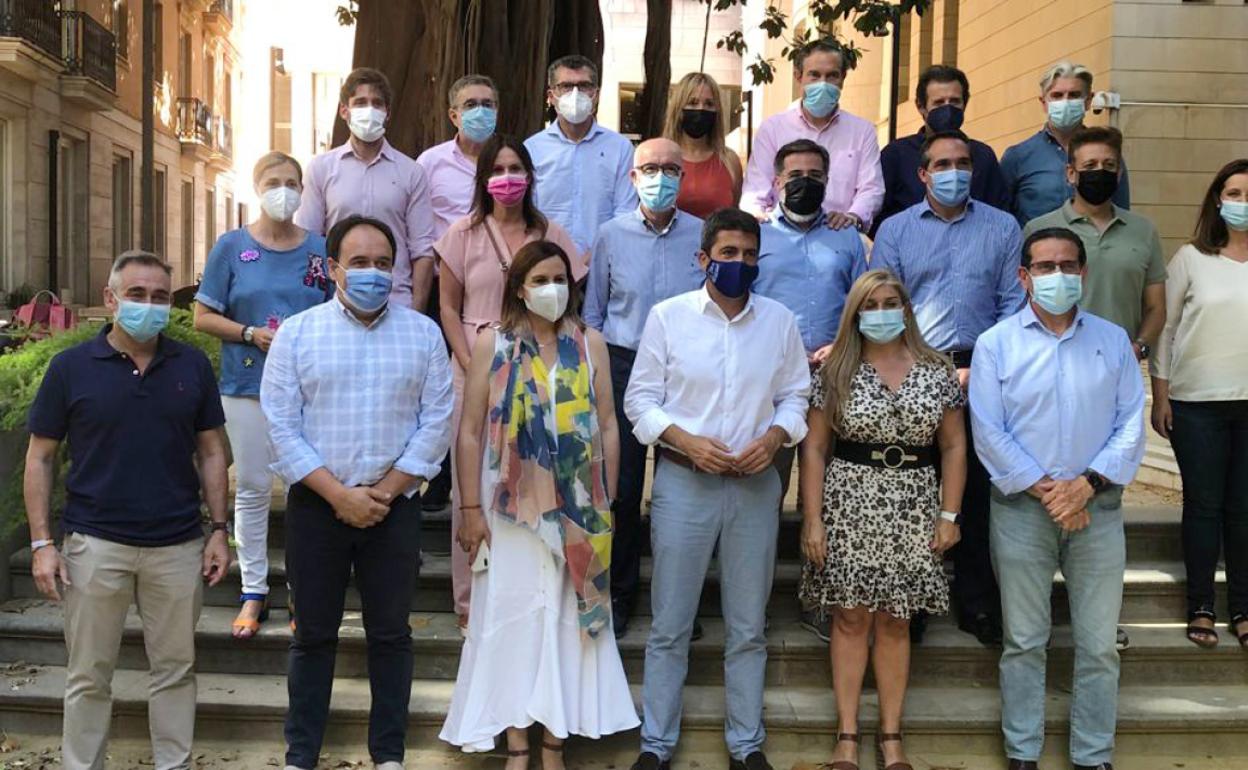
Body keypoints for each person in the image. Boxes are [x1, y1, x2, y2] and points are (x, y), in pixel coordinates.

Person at [24, 251, 231, 770]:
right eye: (137, 295)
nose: (150, 305)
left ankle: (173, 764)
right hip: (95, 545)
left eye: (161, 297)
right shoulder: (69, 368)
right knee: (88, 675)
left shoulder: (192, 365)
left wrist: (220, 531)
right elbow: (40, 456)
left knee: (176, 671)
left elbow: (212, 451)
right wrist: (42, 543)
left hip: (179, 545)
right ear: (111, 298)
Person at [261, 215, 454, 770]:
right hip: (317, 507)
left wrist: (388, 491)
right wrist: (338, 496)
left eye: (382, 264)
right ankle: (302, 754)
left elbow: (435, 422)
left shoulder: (423, 334)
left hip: (393, 511)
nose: (372, 273)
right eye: (360, 263)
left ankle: (388, 755)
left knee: (391, 635)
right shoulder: (298, 334)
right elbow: (282, 426)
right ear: (333, 268)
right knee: (313, 637)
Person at [440, 240, 640, 769]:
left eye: (560, 278)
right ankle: (517, 743)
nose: (551, 288)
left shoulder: (588, 342)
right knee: (513, 614)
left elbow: (607, 425)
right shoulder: (494, 343)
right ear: (519, 288)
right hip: (509, 510)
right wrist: (468, 510)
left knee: (566, 616)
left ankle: (554, 742)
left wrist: (609, 501)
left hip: (579, 506)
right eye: (539, 279)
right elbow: (468, 432)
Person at [625, 208, 811, 770]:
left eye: (750, 255)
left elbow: (797, 395)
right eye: (728, 254)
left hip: (756, 486)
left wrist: (777, 437)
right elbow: (640, 401)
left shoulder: (779, 322)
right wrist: (685, 441)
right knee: (669, 625)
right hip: (686, 484)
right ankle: (656, 746)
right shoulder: (667, 318)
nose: (740, 264)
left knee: (749, 626)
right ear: (703, 258)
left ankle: (746, 745)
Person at [970, 227, 1145, 770]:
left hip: (1098, 510)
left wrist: (1085, 486)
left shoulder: (1113, 340)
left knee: (1098, 646)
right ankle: (1023, 751)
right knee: (1024, 640)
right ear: (1024, 276)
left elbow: (1130, 423)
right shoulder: (996, 343)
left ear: (1083, 274)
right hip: (1024, 510)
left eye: (1068, 265)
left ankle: (1093, 755)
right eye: (1045, 267)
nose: (1057, 276)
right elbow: (988, 430)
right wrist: (1048, 489)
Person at [799, 269, 965, 770]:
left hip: (914, 502)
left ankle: (891, 736)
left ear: (906, 308)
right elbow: (815, 448)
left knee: (895, 621)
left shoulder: (938, 370)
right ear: (855, 313)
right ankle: (847, 735)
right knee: (850, 618)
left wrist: (949, 514)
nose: (880, 313)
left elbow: (955, 444)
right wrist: (812, 519)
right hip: (849, 500)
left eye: (890, 302)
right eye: (869, 305)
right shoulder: (834, 371)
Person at [873, 129, 1024, 646]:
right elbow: (884, 302)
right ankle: (912, 602)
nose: (953, 172)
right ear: (923, 173)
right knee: (916, 490)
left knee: (977, 493)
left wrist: (979, 365)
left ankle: (978, 604)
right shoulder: (894, 230)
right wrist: (916, 369)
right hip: (913, 365)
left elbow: (1012, 303)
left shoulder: (1004, 228)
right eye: (941, 164)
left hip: (984, 367)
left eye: (962, 162)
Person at [436, 134, 584, 633]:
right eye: (497, 169)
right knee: (472, 483)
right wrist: (472, 362)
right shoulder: (462, 233)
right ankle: (469, 601)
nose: (507, 178)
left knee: (542, 477)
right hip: (477, 363)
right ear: (482, 179)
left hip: (543, 371)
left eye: (516, 167)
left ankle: (542, 592)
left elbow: (569, 297)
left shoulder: (550, 231)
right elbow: (448, 307)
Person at [194, 151, 331, 639]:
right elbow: (202, 316)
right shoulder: (231, 248)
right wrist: (251, 333)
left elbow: (338, 313)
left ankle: (302, 588)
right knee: (251, 487)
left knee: (305, 490)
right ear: (257, 187)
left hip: (309, 390)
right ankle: (253, 588)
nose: (285, 190)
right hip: (246, 384)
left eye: (293, 182)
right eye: (274, 181)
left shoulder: (319, 248)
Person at [583, 137, 708, 639]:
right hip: (622, 364)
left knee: (687, 491)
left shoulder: (703, 234)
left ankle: (682, 603)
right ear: (633, 177)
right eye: (650, 169)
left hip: (686, 367)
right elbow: (594, 311)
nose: (660, 178)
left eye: (670, 169)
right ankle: (620, 592)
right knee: (623, 489)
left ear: (683, 176)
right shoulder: (610, 235)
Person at [753, 138, 868, 640]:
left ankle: (818, 598)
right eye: (795, 173)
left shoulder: (847, 240)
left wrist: (838, 346)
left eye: (816, 174)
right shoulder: (755, 235)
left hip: (833, 378)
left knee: (830, 498)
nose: (806, 182)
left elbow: (865, 305)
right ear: (776, 181)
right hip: (771, 384)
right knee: (764, 493)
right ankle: (750, 601)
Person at [1151, 159, 1248, 650]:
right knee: (1205, 507)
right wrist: (1161, 395)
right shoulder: (1191, 258)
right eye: (1234, 192)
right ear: (1217, 200)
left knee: (1244, 510)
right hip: (1197, 405)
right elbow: (1164, 330)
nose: (1242, 202)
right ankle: (1202, 605)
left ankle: (1244, 608)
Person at [296, 67, 437, 311]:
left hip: (397, 302)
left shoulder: (411, 172)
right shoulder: (321, 168)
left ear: (387, 113)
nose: (369, 110)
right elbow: (309, 241)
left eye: (377, 103)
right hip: (337, 303)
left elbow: (423, 250)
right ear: (344, 111)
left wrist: (417, 312)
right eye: (360, 102)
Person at [1023, 126, 1165, 361]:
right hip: (1053, 360)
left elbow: (1156, 307)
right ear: (1071, 173)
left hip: (1120, 361)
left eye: (1108, 165)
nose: (1100, 171)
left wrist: (1139, 347)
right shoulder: (1038, 230)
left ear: (1119, 174)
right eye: (1090, 166)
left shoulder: (1143, 231)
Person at [741, 39, 884, 232]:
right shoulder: (772, 129)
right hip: (782, 236)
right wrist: (758, 219)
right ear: (799, 77)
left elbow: (871, 188)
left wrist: (853, 217)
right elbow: (756, 188)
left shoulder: (862, 131)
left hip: (838, 235)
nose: (823, 83)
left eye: (832, 76)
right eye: (814, 75)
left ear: (843, 78)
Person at [875, 64, 1010, 236]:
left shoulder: (983, 155)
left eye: (955, 101)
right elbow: (879, 214)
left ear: (965, 104)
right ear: (921, 106)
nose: (948, 109)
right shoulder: (896, 155)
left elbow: (999, 211)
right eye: (939, 103)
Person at [525, 54, 637, 256]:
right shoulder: (532, 149)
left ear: (596, 94)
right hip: (544, 262)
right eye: (566, 86)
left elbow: (625, 212)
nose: (575, 93)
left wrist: (593, 258)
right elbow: (527, 211)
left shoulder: (620, 147)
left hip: (605, 261)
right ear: (551, 96)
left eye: (584, 86)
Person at [1001, 61, 1131, 228]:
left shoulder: (1108, 158)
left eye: (1074, 95)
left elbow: (1121, 214)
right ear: (1043, 102)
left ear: (1088, 101)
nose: (1066, 102)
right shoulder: (1018, 157)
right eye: (1057, 95)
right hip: (1038, 251)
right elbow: (1003, 221)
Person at [417, 74, 500, 239]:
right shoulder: (430, 162)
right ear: (454, 116)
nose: (480, 111)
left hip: (501, 262)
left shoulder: (511, 160)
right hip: (446, 263)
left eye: (487, 104)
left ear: (496, 112)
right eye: (471, 105)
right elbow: (416, 221)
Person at [663, 71, 742, 218]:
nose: (701, 109)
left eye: (709, 104)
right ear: (678, 108)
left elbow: (735, 214)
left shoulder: (729, 161)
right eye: (692, 102)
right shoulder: (662, 158)